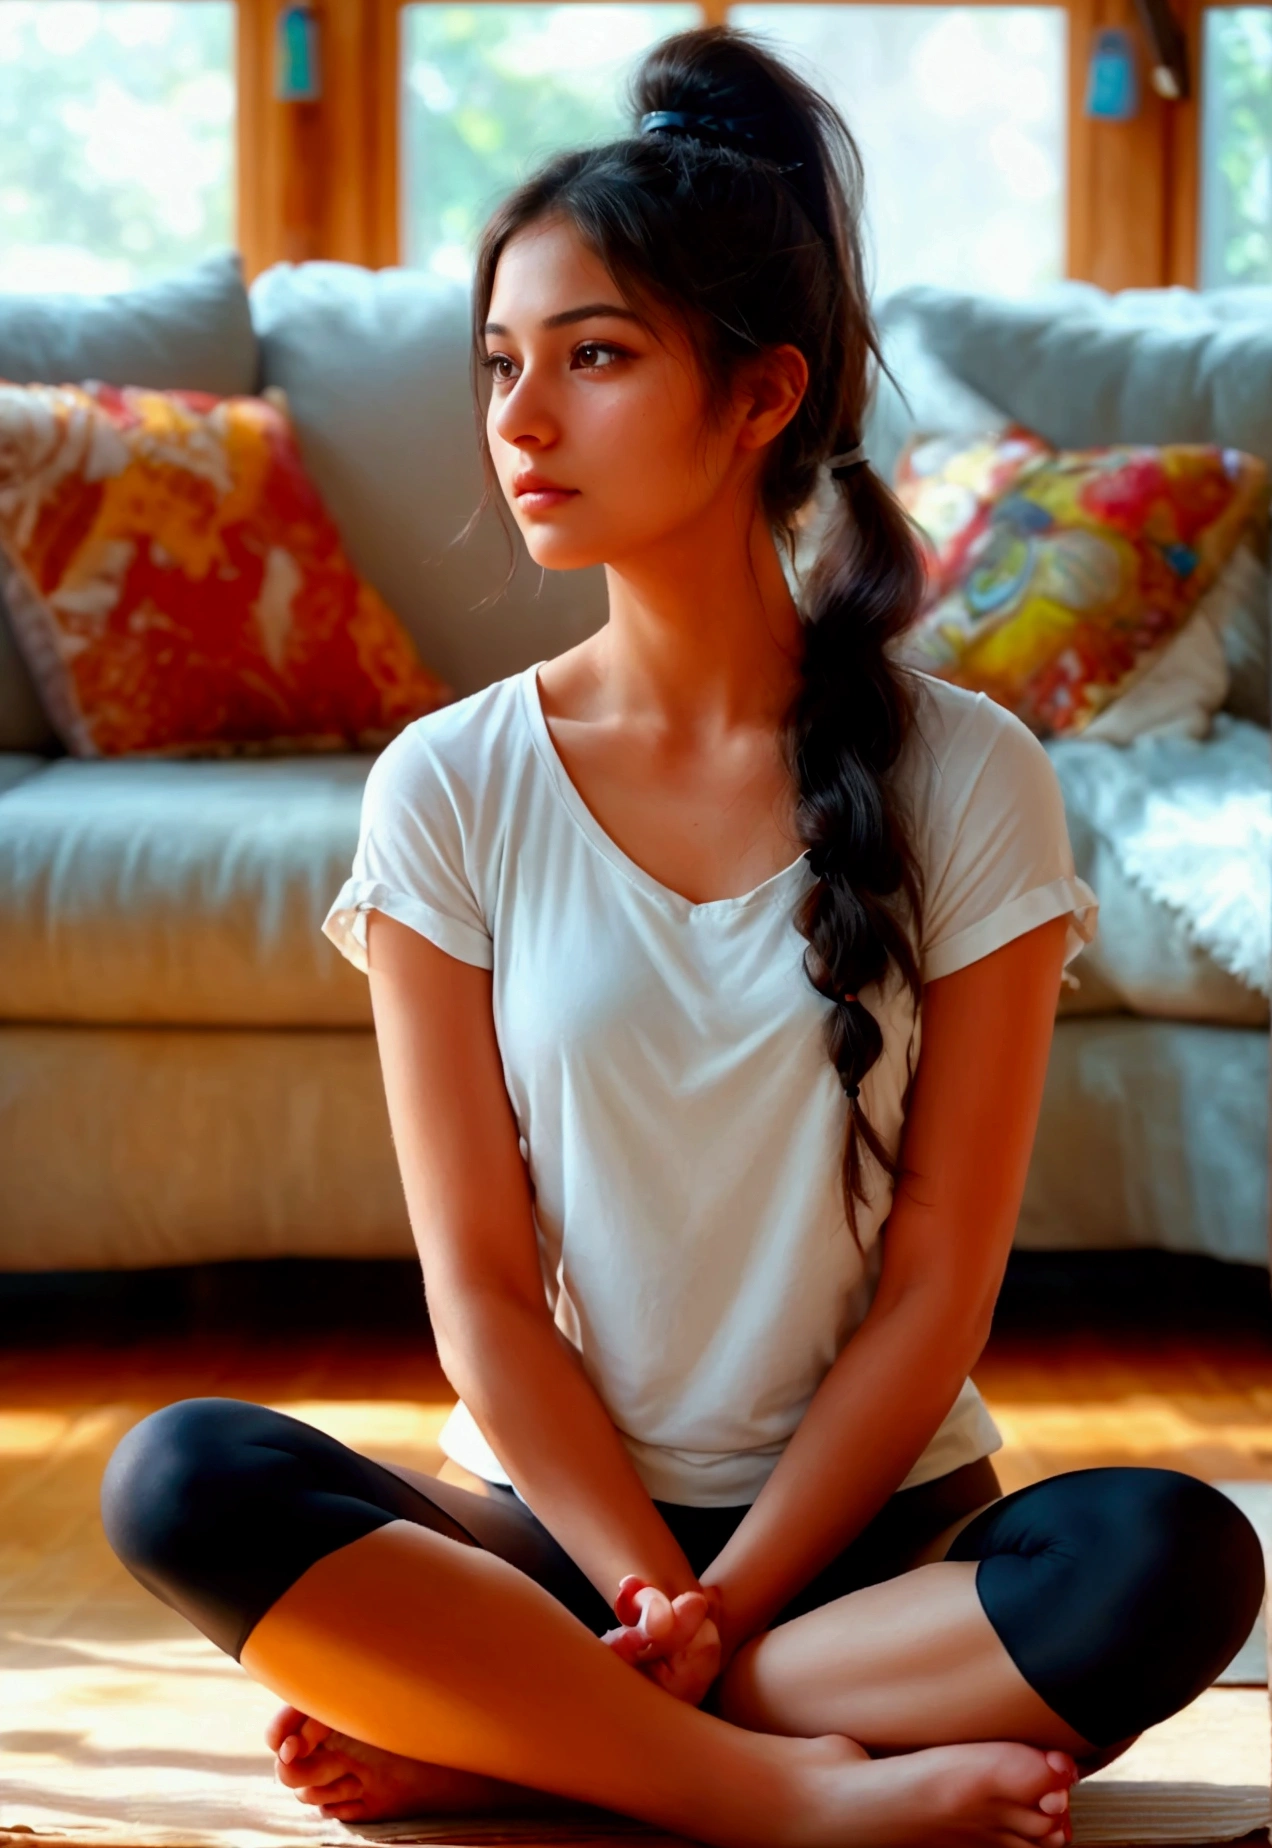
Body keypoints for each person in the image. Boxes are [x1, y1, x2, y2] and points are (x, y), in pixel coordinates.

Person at [100, 25, 1264, 1848]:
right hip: (554, 1533)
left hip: (875, 1537)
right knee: (179, 1476)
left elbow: (942, 1284)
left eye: (596, 358)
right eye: (500, 366)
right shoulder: (450, 787)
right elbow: (479, 1295)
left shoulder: (975, 778)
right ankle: (773, 1792)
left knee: (1174, 1559)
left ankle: (535, 1731)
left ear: (761, 398)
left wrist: (710, 1620)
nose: (520, 422)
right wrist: (650, 1585)